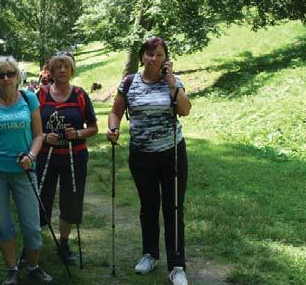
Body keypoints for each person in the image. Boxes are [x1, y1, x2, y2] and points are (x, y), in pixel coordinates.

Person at [107, 37, 191, 285]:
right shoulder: (130, 82)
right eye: (149, 54)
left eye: (159, 55)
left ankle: (177, 265)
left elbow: (185, 110)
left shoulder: (173, 82)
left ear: (166, 59)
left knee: (173, 209)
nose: (154, 59)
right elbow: (116, 111)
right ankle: (150, 254)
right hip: (141, 155)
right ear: (142, 56)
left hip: (172, 153)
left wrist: (173, 83)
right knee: (148, 206)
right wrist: (113, 128)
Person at [0, 56, 52, 285]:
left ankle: (33, 266)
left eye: (10, 73)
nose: (6, 78)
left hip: (24, 169)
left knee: (31, 224)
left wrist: (31, 156)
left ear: (17, 76)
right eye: (0, 75)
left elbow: (39, 135)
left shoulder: (29, 100)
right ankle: (12, 269)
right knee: (2, 224)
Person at [34, 51, 98, 265]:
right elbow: (29, 127)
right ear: (50, 71)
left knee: (71, 200)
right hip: (45, 156)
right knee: (40, 199)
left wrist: (77, 134)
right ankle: (34, 244)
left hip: (74, 156)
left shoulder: (80, 95)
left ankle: (64, 244)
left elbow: (93, 127)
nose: (62, 70)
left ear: (72, 70)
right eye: (58, 67)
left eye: (66, 67)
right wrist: (44, 136)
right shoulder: (41, 95)